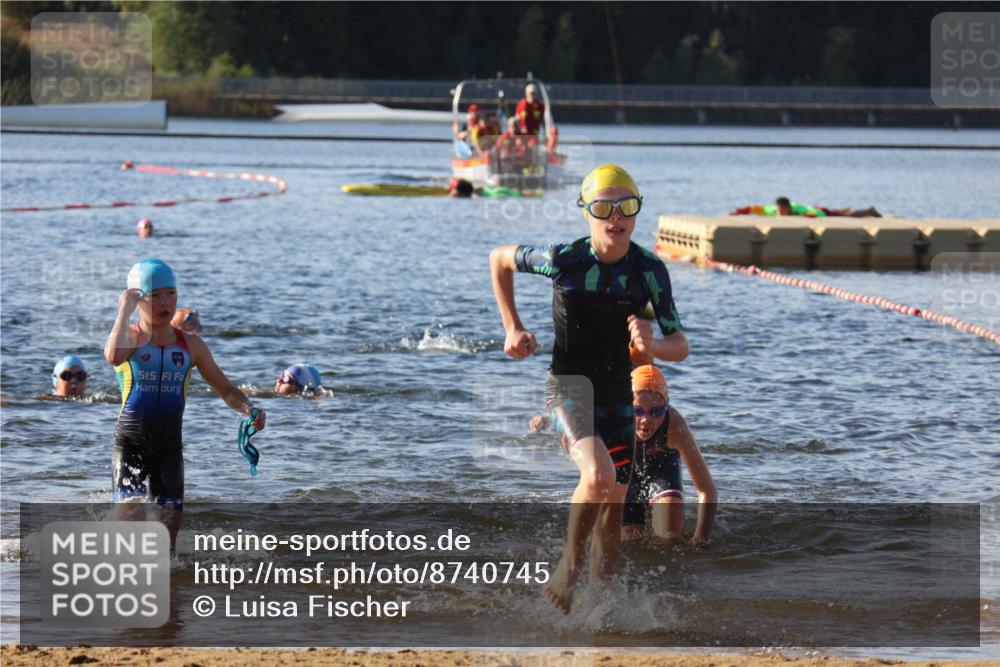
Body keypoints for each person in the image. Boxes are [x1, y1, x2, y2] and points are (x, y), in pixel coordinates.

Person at [489, 164, 688, 614]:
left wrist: (654, 342)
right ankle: (567, 567)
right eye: (603, 207)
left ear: (637, 212)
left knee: (613, 500)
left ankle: (599, 616)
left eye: (626, 206)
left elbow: (680, 344)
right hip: (570, 384)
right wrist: (512, 327)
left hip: (621, 393)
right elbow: (499, 258)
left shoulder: (649, 271)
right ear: (586, 211)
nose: (615, 216)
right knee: (598, 476)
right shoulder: (563, 259)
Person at [104, 258, 265, 546]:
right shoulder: (130, 338)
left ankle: (166, 587)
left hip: (169, 448)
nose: (165, 302)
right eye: (154, 295)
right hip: (130, 444)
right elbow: (113, 356)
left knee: (166, 541)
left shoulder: (191, 345)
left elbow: (227, 390)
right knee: (129, 519)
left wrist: (249, 408)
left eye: (170, 293)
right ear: (137, 298)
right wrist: (123, 310)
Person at [623, 364, 716, 545]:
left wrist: (701, 539)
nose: (646, 420)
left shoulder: (674, 424)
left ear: (666, 407)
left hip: (662, 467)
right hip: (625, 473)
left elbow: (707, 490)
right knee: (629, 542)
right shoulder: (615, 422)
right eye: (638, 411)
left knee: (670, 539)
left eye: (657, 411)